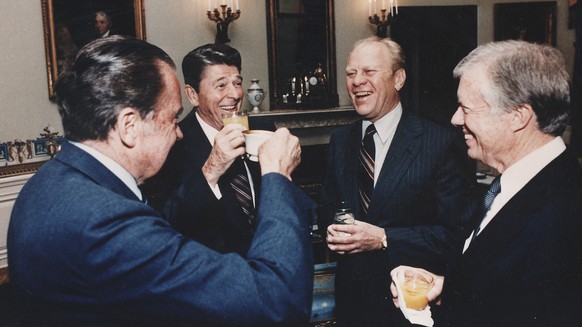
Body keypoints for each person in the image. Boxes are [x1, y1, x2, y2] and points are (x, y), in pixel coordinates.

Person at [7, 35, 316, 326]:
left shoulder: (50, 180)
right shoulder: (105, 222)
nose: (178, 131)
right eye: (171, 118)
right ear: (129, 126)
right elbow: (277, 300)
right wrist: (276, 175)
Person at [390, 40, 582, 326]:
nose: (455, 119)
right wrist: (449, 289)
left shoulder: (563, 215)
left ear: (518, 116)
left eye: (466, 109)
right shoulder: (515, 184)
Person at [319, 36, 474, 327]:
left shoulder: (438, 142)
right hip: (352, 303)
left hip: (409, 305)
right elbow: (327, 204)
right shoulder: (341, 140)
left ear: (398, 79)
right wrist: (335, 228)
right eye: (351, 73)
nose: (357, 81)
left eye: (369, 72)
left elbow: (457, 233)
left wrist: (384, 238)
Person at [141, 43, 274, 255]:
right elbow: (164, 224)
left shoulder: (263, 131)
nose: (235, 94)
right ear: (193, 95)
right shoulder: (172, 143)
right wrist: (212, 170)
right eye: (221, 86)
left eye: (237, 82)